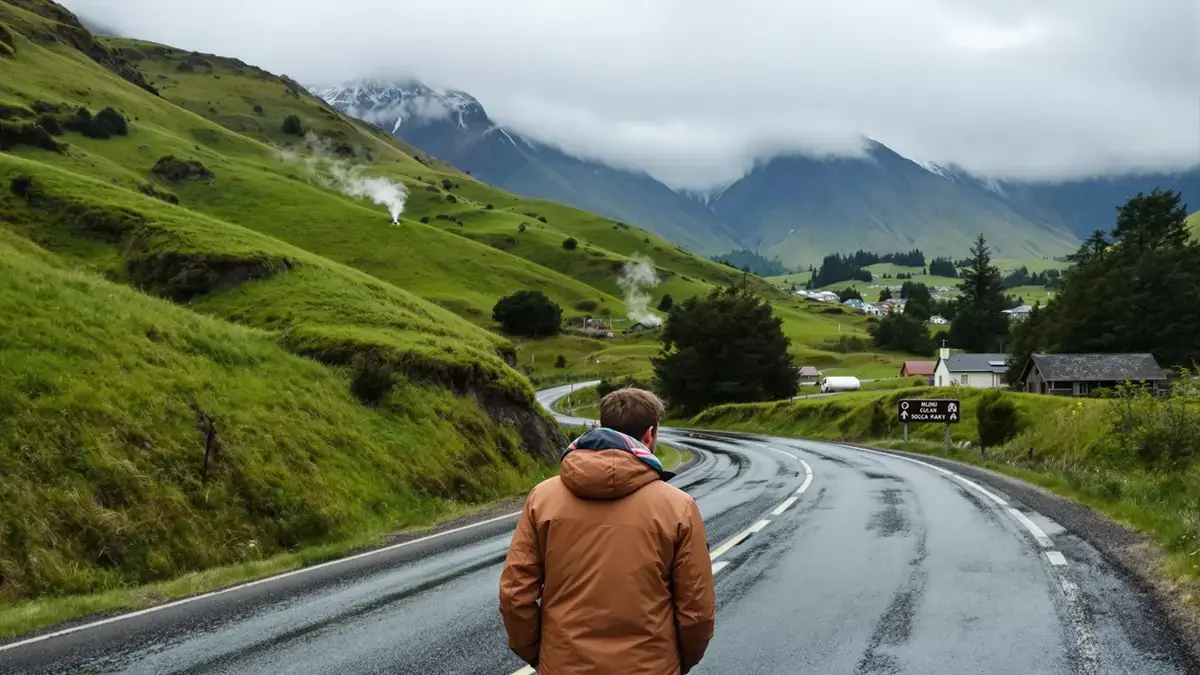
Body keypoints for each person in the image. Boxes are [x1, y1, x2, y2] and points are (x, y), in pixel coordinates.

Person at [499, 388, 715, 674]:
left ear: (601, 427)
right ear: (650, 435)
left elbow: (515, 595)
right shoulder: (678, 507)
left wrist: (541, 656)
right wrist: (675, 662)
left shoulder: (543, 498)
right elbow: (697, 612)